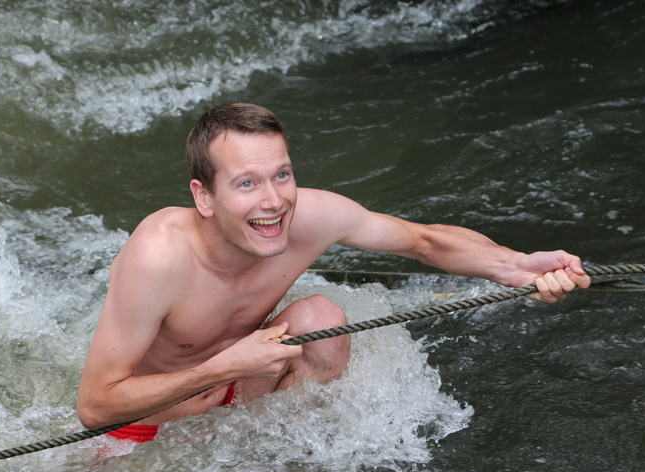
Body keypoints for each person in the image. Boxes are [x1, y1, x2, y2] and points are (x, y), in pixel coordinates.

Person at [77, 103, 590, 440]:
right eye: (247, 183)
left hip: (241, 398)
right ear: (204, 196)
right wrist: (222, 366)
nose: (273, 201)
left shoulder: (308, 215)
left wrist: (516, 266)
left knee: (322, 320)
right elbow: (95, 406)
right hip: (147, 428)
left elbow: (423, 241)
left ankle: (279, 460)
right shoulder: (159, 256)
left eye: (282, 174)